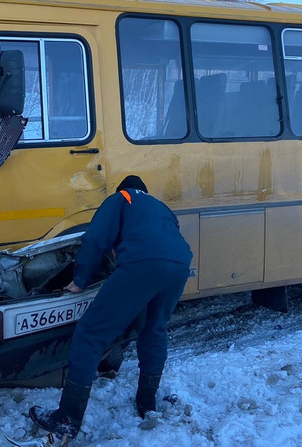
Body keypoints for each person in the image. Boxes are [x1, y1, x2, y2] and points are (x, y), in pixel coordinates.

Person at [30, 175, 192, 439]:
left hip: (142, 264)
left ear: (124, 189)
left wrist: (80, 280)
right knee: (154, 330)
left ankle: (68, 418)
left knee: (90, 334)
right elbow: (165, 237)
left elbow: (95, 239)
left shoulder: (121, 198)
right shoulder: (159, 206)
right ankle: (146, 404)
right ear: (145, 191)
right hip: (179, 266)